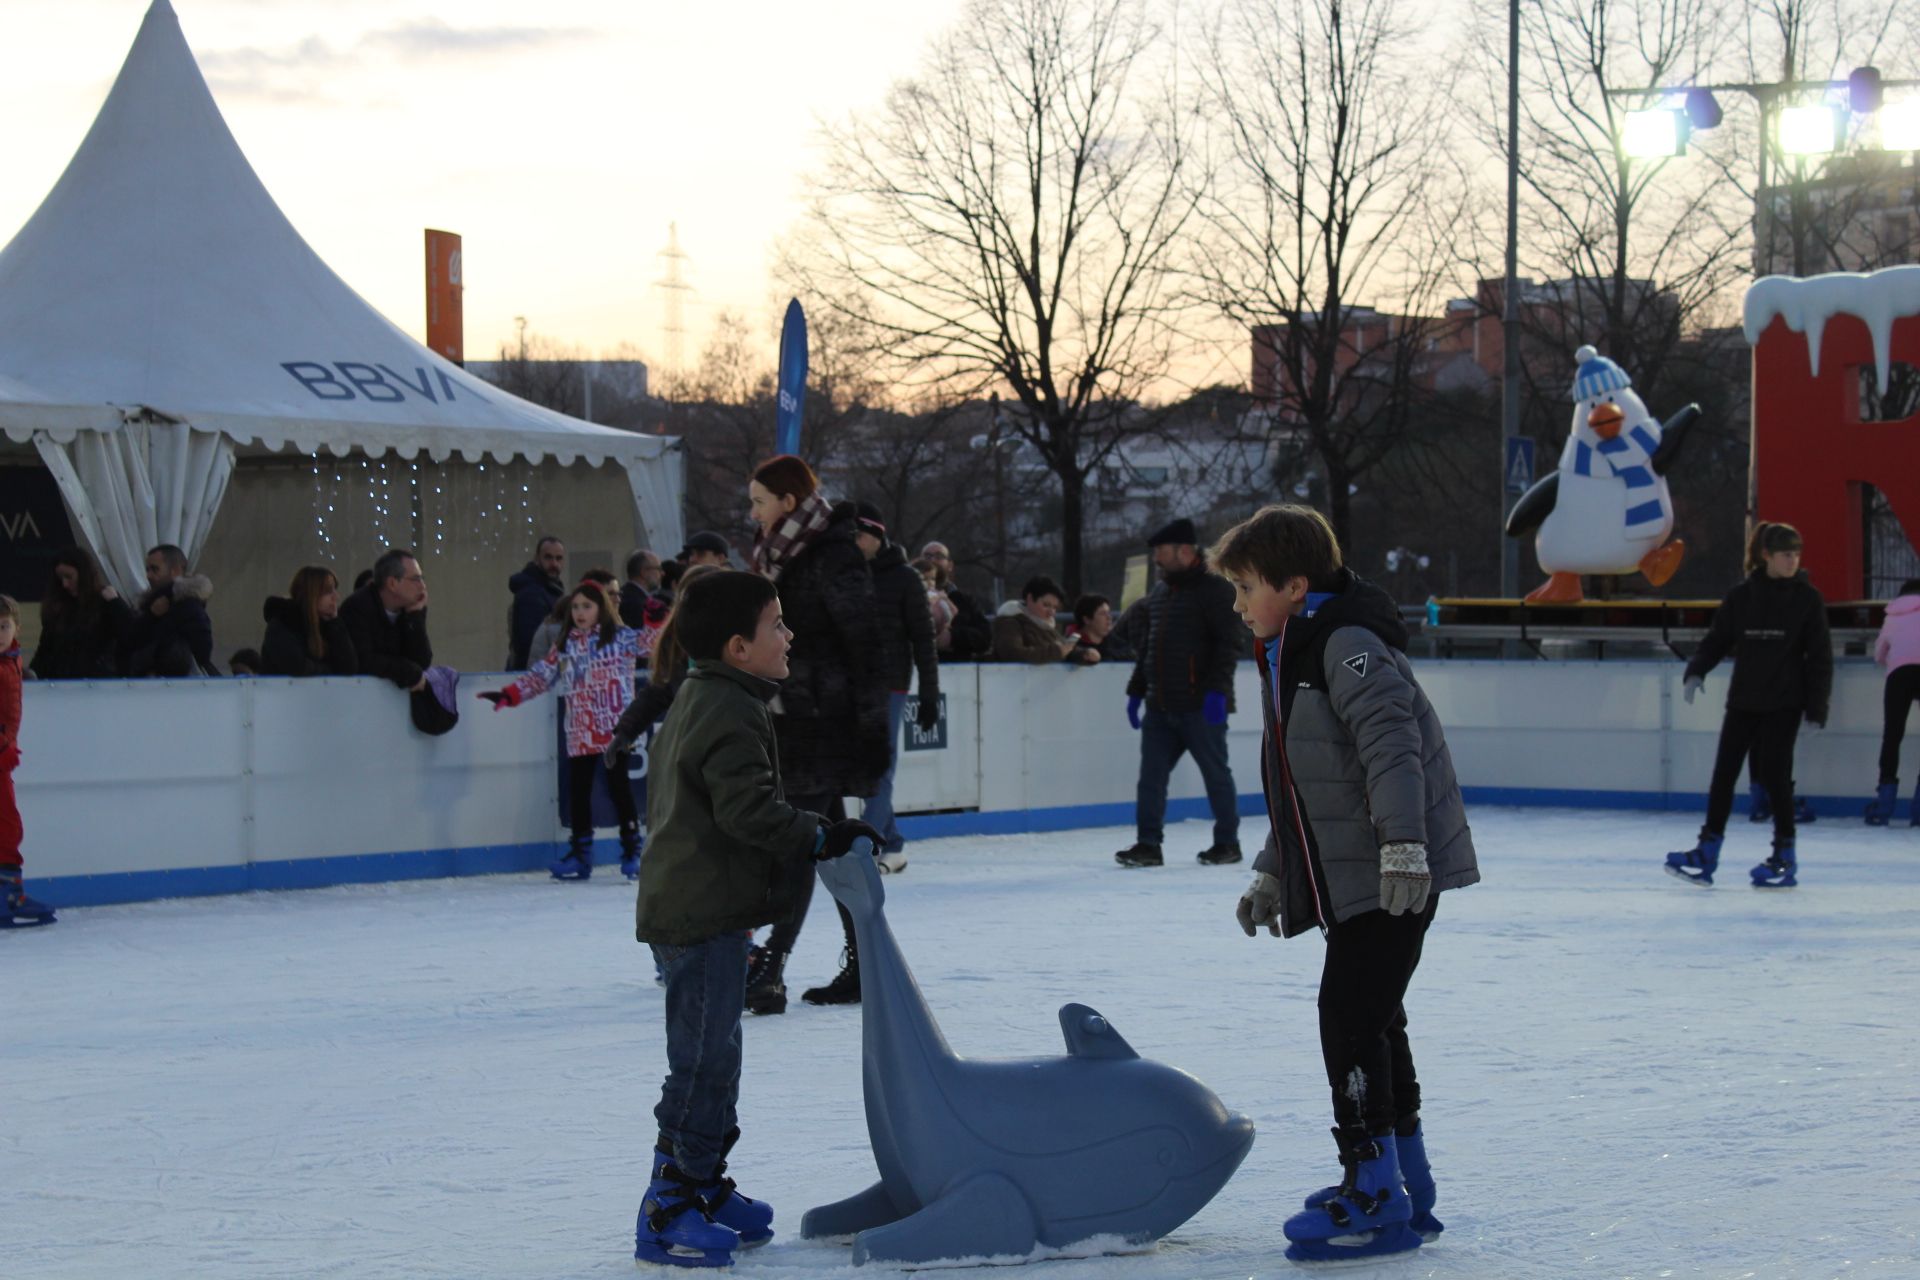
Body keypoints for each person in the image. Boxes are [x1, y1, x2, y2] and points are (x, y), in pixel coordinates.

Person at [1215, 504, 1478, 1264]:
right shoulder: (1299, 649)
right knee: (1376, 1018)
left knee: (1351, 1019)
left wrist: (1402, 847)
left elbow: (1393, 752)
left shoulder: (1346, 647)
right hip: (1359, 874)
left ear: (1295, 586)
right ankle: (1405, 1183)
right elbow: (1311, 786)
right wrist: (1273, 869)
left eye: (1244, 587)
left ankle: (1372, 1191)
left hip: (1389, 875)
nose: (1236, 605)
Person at [630, 568, 879, 1267]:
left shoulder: (713, 693)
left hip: (703, 906)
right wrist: (821, 833)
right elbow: (744, 810)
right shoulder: (729, 708)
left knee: (716, 1060)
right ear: (739, 647)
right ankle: (670, 1203)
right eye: (777, 625)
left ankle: (701, 1184)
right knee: (702, 1065)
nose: (790, 634)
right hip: (699, 911)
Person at [745, 454, 889, 1013]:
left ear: (787, 502)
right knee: (834, 850)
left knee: (801, 846)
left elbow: (865, 647)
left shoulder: (831, 556)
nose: (752, 513)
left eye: (759, 501)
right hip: (794, 717)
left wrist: (871, 732)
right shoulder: (779, 556)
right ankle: (863, 965)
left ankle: (771, 970)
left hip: (824, 723)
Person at [1665, 521, 1832, 889]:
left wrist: (1816, 710)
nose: (1793, 561)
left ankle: (1784, 854)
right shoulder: (1742, 597)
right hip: (1744, 701)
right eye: (1786, 554)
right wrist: (1696, 671)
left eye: (1796, 554)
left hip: (1785, 703)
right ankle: (1708, 849)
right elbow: (1718, 639)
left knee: (1775, 776)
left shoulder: (1807, 599)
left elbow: (1820, 658)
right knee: (1724, 775)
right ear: (1766, 556)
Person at [483, 581, 645, 881]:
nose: (581, 613)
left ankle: (632, 851)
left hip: (615, 730)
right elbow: (540, 676)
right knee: (579, 794)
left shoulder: (620, 638)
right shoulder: (567, 644)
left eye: (587, 606)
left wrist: (657, 620)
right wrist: (509, 695)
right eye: (576, 607)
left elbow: (655, 642)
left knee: (619, 790)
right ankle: (581, 855)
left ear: (601, 608)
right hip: (580, 731)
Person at [1115, 518, 1246, 869]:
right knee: (1151, 779)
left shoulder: (1216, 590)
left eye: (1162, 551)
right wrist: (1137, 691)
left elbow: (1229, 643)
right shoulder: (1161, 593)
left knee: (1216, 775)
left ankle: (1227, 842)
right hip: (1161, 706)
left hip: (1200, 707)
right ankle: (1147, 844)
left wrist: (1217, 692)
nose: (1157, 558)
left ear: (1185, 551)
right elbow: (1150, 648)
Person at [852, 502, 941, 873]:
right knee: (864, 769)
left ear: (877, 535)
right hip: (852, 684)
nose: (852, 542)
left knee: (879, 766)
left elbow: (923, 638)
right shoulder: (844, 575)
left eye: (859, 535)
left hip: (891, 683)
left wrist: (929, 693)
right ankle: (893, 842)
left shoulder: (905, 578)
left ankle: (863, 847)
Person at [605, 565, 724, 770]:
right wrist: (626, 731)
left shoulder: (743, 640)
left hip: (733, 740)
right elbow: (658, 690)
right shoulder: (677, 642)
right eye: (696, 598)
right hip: (694, 743)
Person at [1, 595, 56, 927]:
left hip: (5, 756)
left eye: (4, 627)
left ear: (17, 628)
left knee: (8, 826)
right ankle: (9, 895)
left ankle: (10, 892)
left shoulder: (12, 660)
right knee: (7, 825)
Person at [30, 546, 132, 679]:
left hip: (98, 682)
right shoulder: (57, 606)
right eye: (60, 578)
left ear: (84, 574)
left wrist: (116, 603)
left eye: (69, 577)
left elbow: (130, 634)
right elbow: (46, 648)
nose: (65, 584)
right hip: (60, 682)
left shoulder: (105, 601)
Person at [339, 548, 433, 693]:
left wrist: (414, 617)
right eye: (415, 579)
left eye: (422, 579)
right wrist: (408, 671)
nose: (422, 586)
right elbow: (363, 660)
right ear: (392, 583)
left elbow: (421, 661)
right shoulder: (357, 608)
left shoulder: (408, 609)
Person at [1866, 578, 1920, 826]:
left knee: (1892, 734)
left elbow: (1879, 654)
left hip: (1898, 676)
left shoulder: (1892, 615)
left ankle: (1885, 803)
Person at [124, 544, 214, 677]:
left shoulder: (188, 606)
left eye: (155, 569)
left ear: (176, 571)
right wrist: (151, 616)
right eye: (147, 569)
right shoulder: (151, 604)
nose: (148, 575)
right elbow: (130, 642)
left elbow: (202, 651)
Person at [259, 566, 358, 677]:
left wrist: (335, 623)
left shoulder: (328, 625)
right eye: (328, 591)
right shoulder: (282, 624)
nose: (336, 597)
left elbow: (349, 667)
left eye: (335, 590)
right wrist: (332, 671)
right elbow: (298, 667)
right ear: (312, 593)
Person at [992, 576, 1094, 665]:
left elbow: (1064, 649)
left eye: (1055, 607)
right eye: (1046, 605)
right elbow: (1013, 654)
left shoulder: (1046, 626)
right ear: (1030, 598)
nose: (1051, 612)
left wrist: (1084, 654)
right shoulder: (1010, 623)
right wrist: (1057, 652)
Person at [529, 568, 619, 666]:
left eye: (618, 594)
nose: (617, 599)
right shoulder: (565, 632)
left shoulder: (616, 630)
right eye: (610, 594)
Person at [920, 541, 992, 659]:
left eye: (939, 556)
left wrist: (952, 637)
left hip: (959, 671)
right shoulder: (906, 597)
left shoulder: (965, 601)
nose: (932, 560)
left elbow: (985, 638)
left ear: (950, 565)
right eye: (927, 556)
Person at [506, 536, 567, 670]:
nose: (554, 564)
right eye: (548, 557)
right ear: (537, 559)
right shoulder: (531, 594)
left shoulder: (551, 590)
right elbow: (528, 643)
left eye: (558, 558)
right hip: (533, 673)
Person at [1067, 593, 1134, 662]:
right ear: (1087, 620)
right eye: (1102, 614)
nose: (1109, 617)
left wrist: (1105, 657)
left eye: (1108, 612)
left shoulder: (1113, 639)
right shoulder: (1071, 641)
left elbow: (1133, 653)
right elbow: (1067, 654)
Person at [912, 558, 957, 652]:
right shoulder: (913, 596)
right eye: (924, 579)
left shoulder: (939, 594)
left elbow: (953, 611)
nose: (930, 582)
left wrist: (949, 623)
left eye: (932, 579)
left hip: (942, 630)